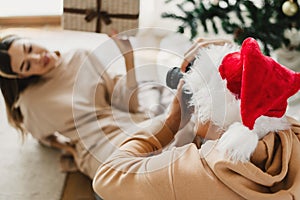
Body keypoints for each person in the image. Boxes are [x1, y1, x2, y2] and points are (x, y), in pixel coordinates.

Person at [93, 37, 300, 200]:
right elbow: (259, 92)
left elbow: (106, 178)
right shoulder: (291, 135)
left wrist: (171, 122)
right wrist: (234, 58)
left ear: (214, 111)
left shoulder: (195, 170)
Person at [0, 33, 163, 179]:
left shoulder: (80, 55)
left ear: (31, 38)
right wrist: (69, 149)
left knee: (171, 142)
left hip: (125, 125)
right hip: (96, 150)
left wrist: (128, 57)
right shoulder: (31, 102)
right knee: (141, 170)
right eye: (27, 66)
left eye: (29, 48)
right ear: (22, 76)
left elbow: (129, 105)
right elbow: (41, 136)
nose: (37, 58)